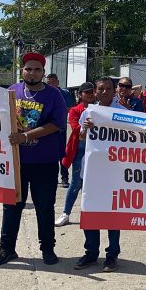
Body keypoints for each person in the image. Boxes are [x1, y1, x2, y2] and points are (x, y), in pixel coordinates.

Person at [0, 53, 67, 266]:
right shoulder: (12, 92)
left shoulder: (54, 95)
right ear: (22, 70)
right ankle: (6, 248)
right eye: (28, 69)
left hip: (45, 161)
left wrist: (26, 136)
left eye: (37, 69)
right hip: (16, 161)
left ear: (43, 72)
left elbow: (57, 124)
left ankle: (48, 249)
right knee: (12, 205)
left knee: (44, 206)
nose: (32, 73)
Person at [74, 76, 129, 272]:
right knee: (90, 211)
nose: (103, 92)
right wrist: (86, 129)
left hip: (113, 171)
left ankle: (112, 255)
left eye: (107, 89)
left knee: (113, 215)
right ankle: (90, 253)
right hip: (92, 171)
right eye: (100, 89)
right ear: (95, 92)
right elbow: (81, 138)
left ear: (114, 90)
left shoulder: (123, 113)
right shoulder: (89, 112)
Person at [55, 82, 96, 227]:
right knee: (76, 183)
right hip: (80, 151)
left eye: (92, 91)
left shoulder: (101, 110)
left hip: (96, 152)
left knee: (95, 184)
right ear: (80, 95)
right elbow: (75, 129)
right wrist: (84, 128)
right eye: (87, 92)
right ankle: (66, 213)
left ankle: (92, 214)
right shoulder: (74, 111)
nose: (90, 94)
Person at [46, 73, 74, 187]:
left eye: (53, 82)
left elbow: (68, 108)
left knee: (62, 153)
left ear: (57, 82)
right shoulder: (43, 93)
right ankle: (50, 178)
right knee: (48, 154)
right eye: (48, 82)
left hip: (60, 128)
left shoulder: (64, 93)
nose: (51, 84)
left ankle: (64, 177)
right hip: (45, 129)